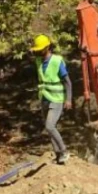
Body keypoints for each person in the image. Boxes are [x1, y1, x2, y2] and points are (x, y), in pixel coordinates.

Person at [31, 34, 72, 165]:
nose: (38, 51)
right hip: (44, 97)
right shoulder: (38, 60)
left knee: (49, 126)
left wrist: (68, 99)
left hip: (57, 98)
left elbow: (67, 81)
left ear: (48, 47)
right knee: (49, 128)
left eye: (40, 49)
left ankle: (64, 151)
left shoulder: (56, 61)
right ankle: (58, 156)